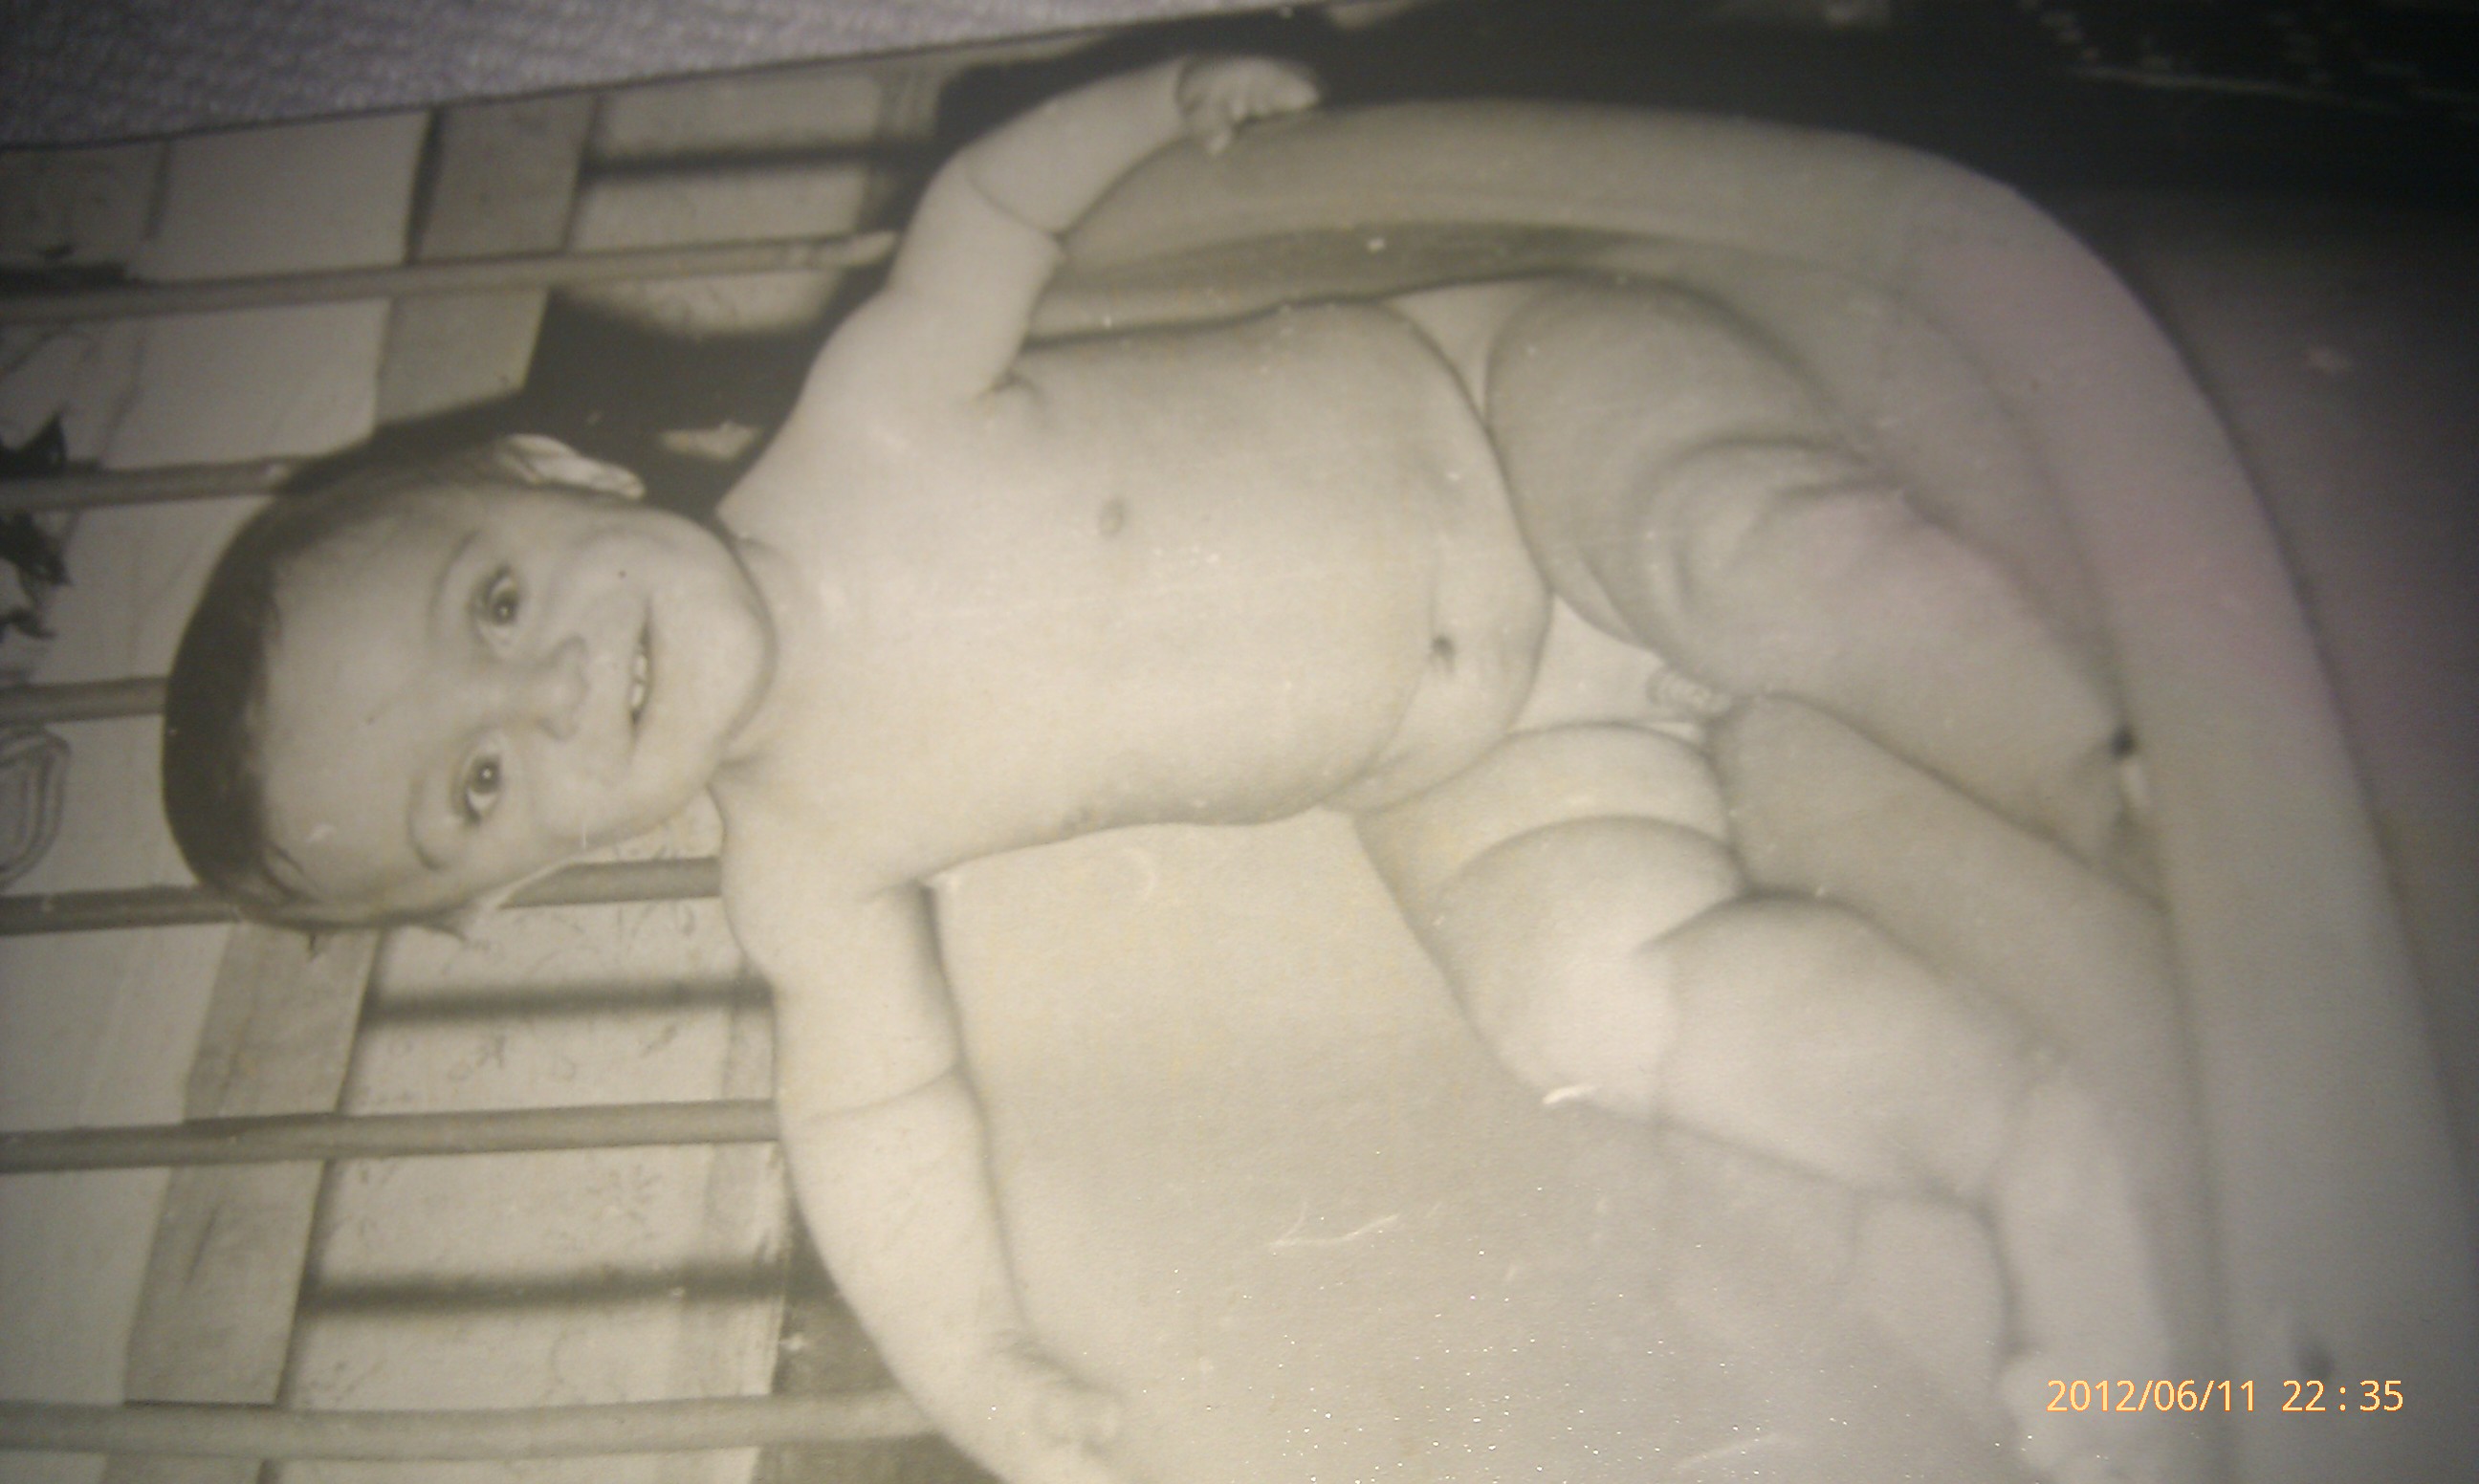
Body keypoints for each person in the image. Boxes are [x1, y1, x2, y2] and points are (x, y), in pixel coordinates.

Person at [164, 56, 2180, 1484]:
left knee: (1739, 544)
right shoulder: (806, 865)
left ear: (555, 470)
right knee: (1570, 996)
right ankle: (2015, 1139)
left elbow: (992, 213)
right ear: (518, 889)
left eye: (496, 602)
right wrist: (982, 1372)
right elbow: (875, 1120)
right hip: (1480, 765)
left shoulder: (867, 419)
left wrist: (1160, 107)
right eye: (478, 790)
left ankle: (2081, 758)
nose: (548, 692)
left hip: (1517, 410)